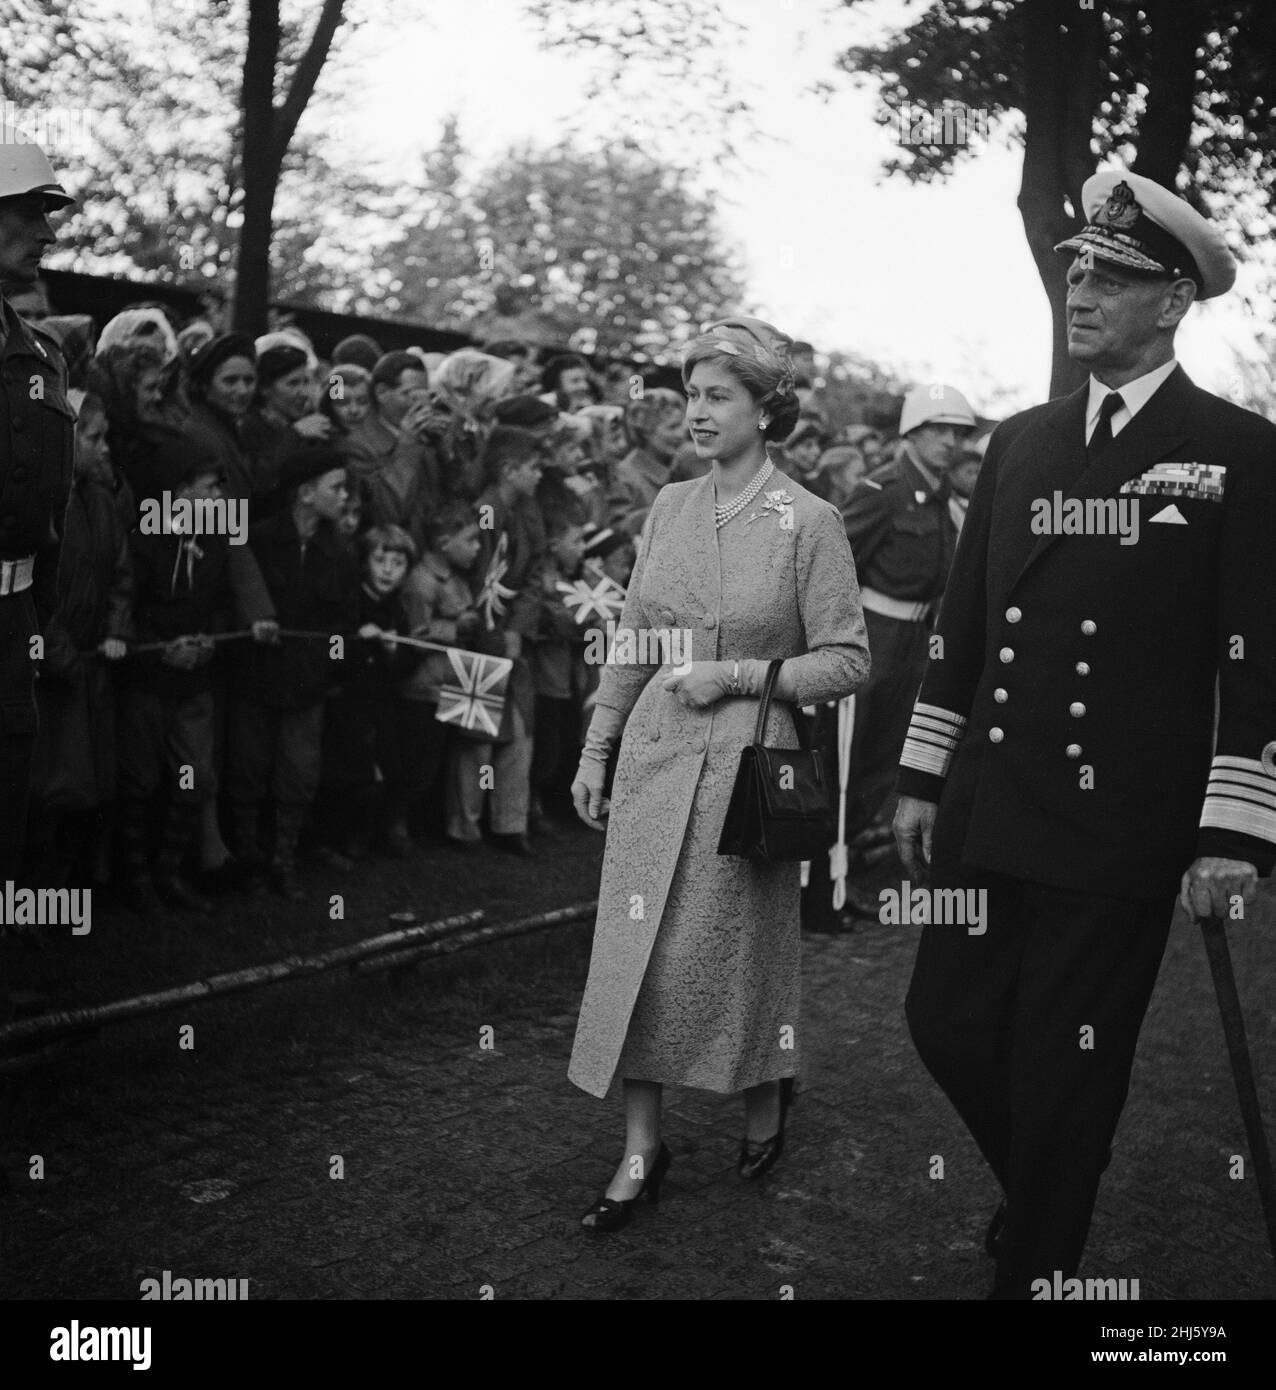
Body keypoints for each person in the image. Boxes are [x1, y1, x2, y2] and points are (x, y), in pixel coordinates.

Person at [893, 169, 1276, 1299]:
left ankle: (1042, 1263)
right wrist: (921, 773)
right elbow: (964, 623)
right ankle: (1051, 1184)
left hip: (1121, 828)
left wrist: (1232, 834)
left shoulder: (1239, 451)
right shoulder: (1022, 441)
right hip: (990, 801)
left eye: (1112, 276)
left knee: (1067, 1066)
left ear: (1173, 302)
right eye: (1075, 270)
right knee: (944, 1021)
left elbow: (1256, 658)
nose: (1082, 290)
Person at [568, 315, 869, 1231]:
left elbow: (848, 660)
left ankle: (765, 1091)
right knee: (639, 952)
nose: (697, 412)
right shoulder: (669, 506)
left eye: (717, 396)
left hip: (750, 772)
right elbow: (636, 635)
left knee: (737, 954)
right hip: (656, 756)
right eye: (691, 395)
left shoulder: (808, 521)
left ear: (765, 410)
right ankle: (641, 1147)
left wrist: (735, 675)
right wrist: (597, 745)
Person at [838, 382, 976, 886]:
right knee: (846, 764)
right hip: (872, 636)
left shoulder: (944, 497)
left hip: (916, 642)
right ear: (912, 432)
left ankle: (848, 866)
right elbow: (834, 567)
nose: (949, 442)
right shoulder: (883, 490)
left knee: (888, 763)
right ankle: (823, 882)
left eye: (957, 432)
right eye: (937, 430)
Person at [225, 444, 357, 898]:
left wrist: (326, 664)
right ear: (305, 493)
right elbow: (233, 599)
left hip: (307, 686)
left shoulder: (340, 553)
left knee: (297, 776)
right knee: (247, 770)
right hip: (256, 678)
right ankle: (248, 861)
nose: (345, 497)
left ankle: (283, 862)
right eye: (337, 487)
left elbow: (345, 624)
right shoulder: (258, 541)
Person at [0, 126, 77, 894]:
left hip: (12, 624)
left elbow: (53, 502)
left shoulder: (42, 355)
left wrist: (36, 615)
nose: (47, 233)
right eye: (29, 212)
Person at [445, 427, 544, 855]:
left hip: (510, 637)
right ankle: (465, 826)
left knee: (519, 732)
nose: (539, 475)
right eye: (533, 467)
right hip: (480, 636)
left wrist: (516, 629)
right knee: (477, 734)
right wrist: (493, 636)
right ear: (508, 469)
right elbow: (478, 578)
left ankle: (509, 823)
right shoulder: (484, 512)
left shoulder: (526, 511)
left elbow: (534, 573)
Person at [605, 388, 687, 538]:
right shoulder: (624, 476)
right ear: (645, 431)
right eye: (672, 427)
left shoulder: (684, 466)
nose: (680, 434)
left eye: (681, 425)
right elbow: (619, 530)